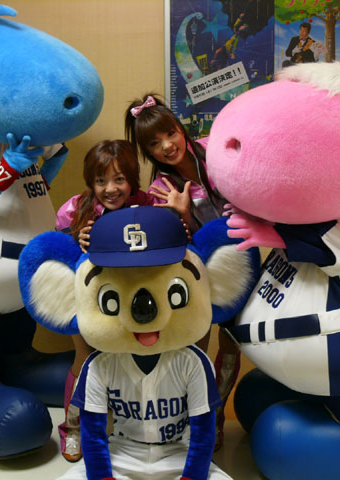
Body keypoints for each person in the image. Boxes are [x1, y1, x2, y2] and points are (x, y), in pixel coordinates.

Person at [54, 139, 191, 462]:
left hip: (135, 303)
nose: (110, 189)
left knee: (141, 361)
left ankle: (143, 428)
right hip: (93, 303)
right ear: (90, 181)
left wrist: (180, 223)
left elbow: (176, 243)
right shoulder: (74, 209)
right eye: (101, 180)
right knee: (85, 359)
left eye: (119, 179)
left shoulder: (149, 204)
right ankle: (72, 428)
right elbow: (57, 255)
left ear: (131, 179)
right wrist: (75, 239)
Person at [124, 93, 240, 451]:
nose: (167, 146)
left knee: (232, 346)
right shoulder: (161, 189)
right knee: (196, 349)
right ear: (147, 152)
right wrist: (184, 214)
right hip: (198, 276)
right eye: (154, 144)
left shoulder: (214, 150)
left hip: (239, 266)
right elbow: (180, 244)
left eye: (170, 134)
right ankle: (196, 422)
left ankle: (216, 417)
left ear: (181, 128)